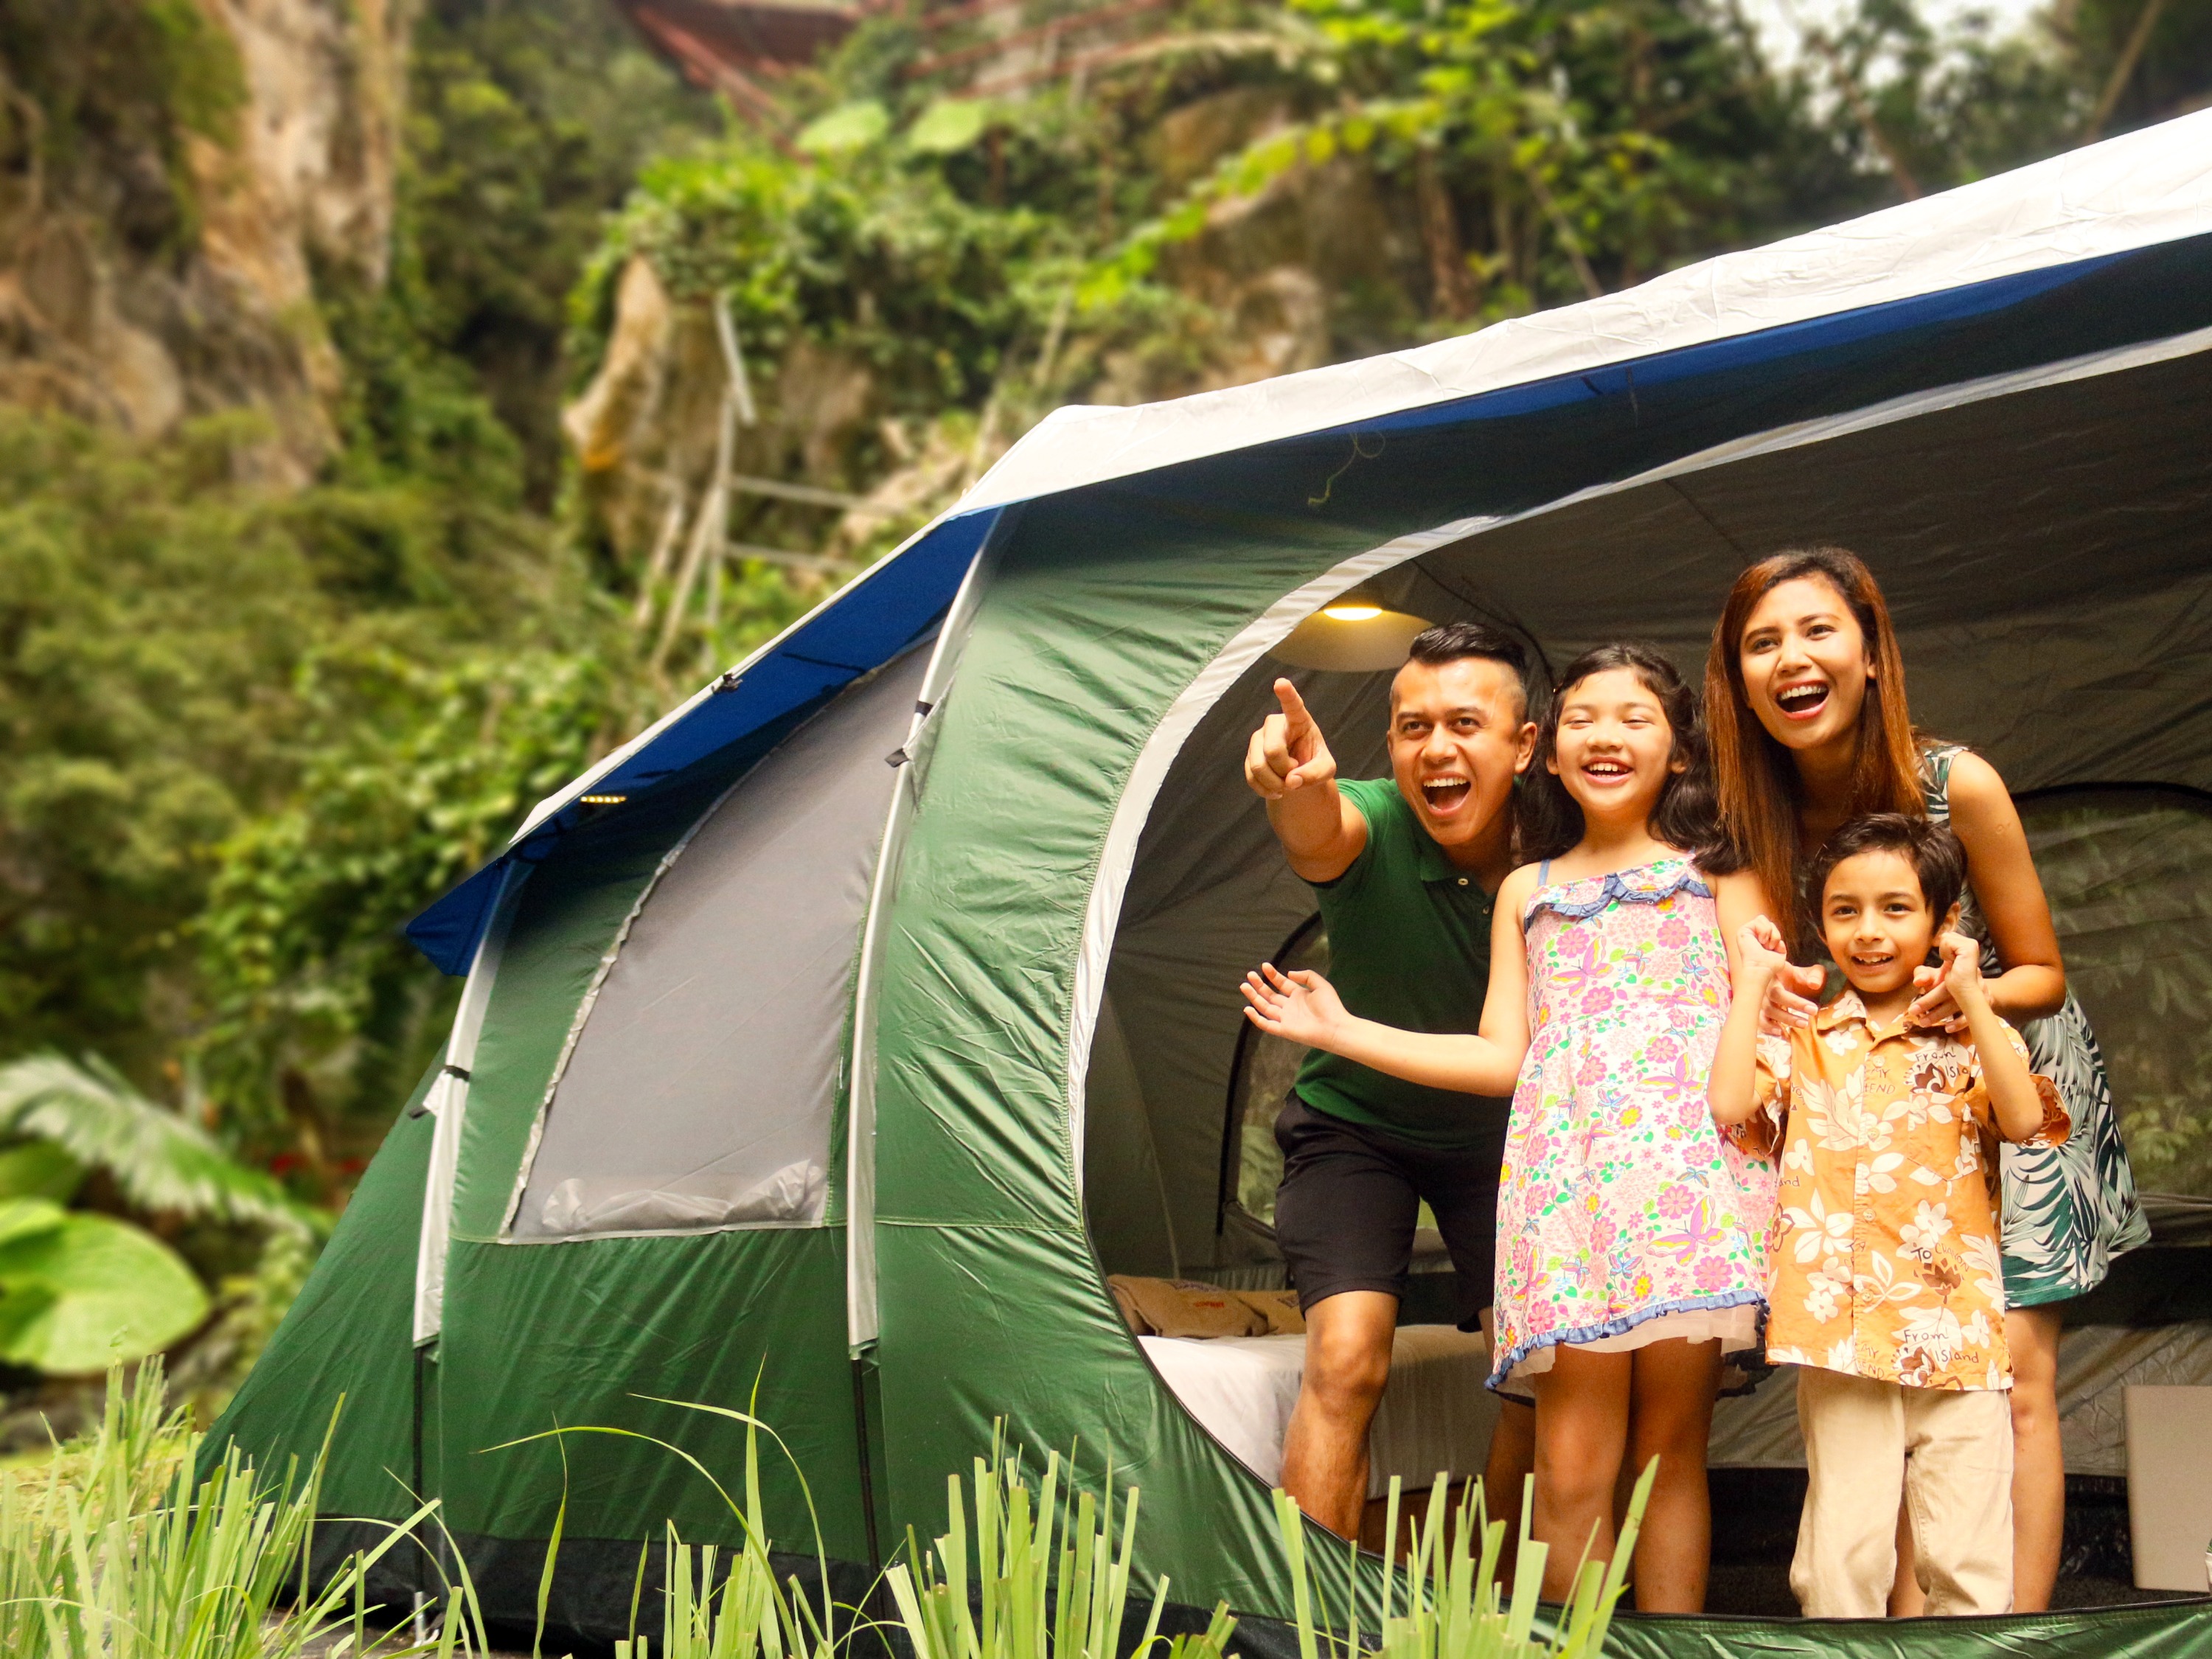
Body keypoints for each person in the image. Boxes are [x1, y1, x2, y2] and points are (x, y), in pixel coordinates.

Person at [1242, 642, 1777, 1612]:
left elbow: (1774, 1018)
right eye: (1585, 717)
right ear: (1553, 748)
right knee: (1572, 1468)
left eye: (1635, 717)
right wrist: (1339, 1028)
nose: (1605, 735)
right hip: (1563, 1210)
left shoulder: (1719, 875)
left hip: (1687, 1209)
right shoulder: (1527, 893)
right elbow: (1502, 1055)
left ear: (1682, 752)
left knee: (1669, 1450)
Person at [1704, 546, 2148, 1612]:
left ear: (1869, 652)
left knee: (2009, 1385)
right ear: (1735, 678)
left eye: (1818, 631)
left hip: (1997, 1082)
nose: (1792, 660)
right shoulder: (1745, 821)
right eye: (1762, 643)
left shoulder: (1957, 782)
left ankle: (2011, 1630)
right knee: (1881, 1384)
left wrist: (1969, 996)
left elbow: (2044, 965)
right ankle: (1898, 1628)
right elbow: (1771, 997)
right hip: (1861, 1110)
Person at [1711, 813, 2070, 1616]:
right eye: (1845, 911)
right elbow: (1732, 1105)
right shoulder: (1807, 1039)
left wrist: (1973, 996)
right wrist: (1754, 985)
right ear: (1821, 924)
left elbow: (2020, 1120)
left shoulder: (1973, 1035)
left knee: (1970, 1555)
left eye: (1896, 909)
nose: (1869, 932)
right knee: (1843, 1552)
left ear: (1944, 924)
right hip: (1839, 1336)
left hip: (1956, 1331)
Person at [1239, 621, 1539, 1545]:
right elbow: (1319, 830)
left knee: (1532, 1372)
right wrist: (1293, 793)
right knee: (1346, 1358)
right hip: (1354, 1126)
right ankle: (1308, 1625)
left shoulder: (1565, 852)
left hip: (1503, 1135)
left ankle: (1494, 1614)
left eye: (1464, 724)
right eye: (1413, 728)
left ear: (1525, 746)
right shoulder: (1371, 815)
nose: (1436, 749)